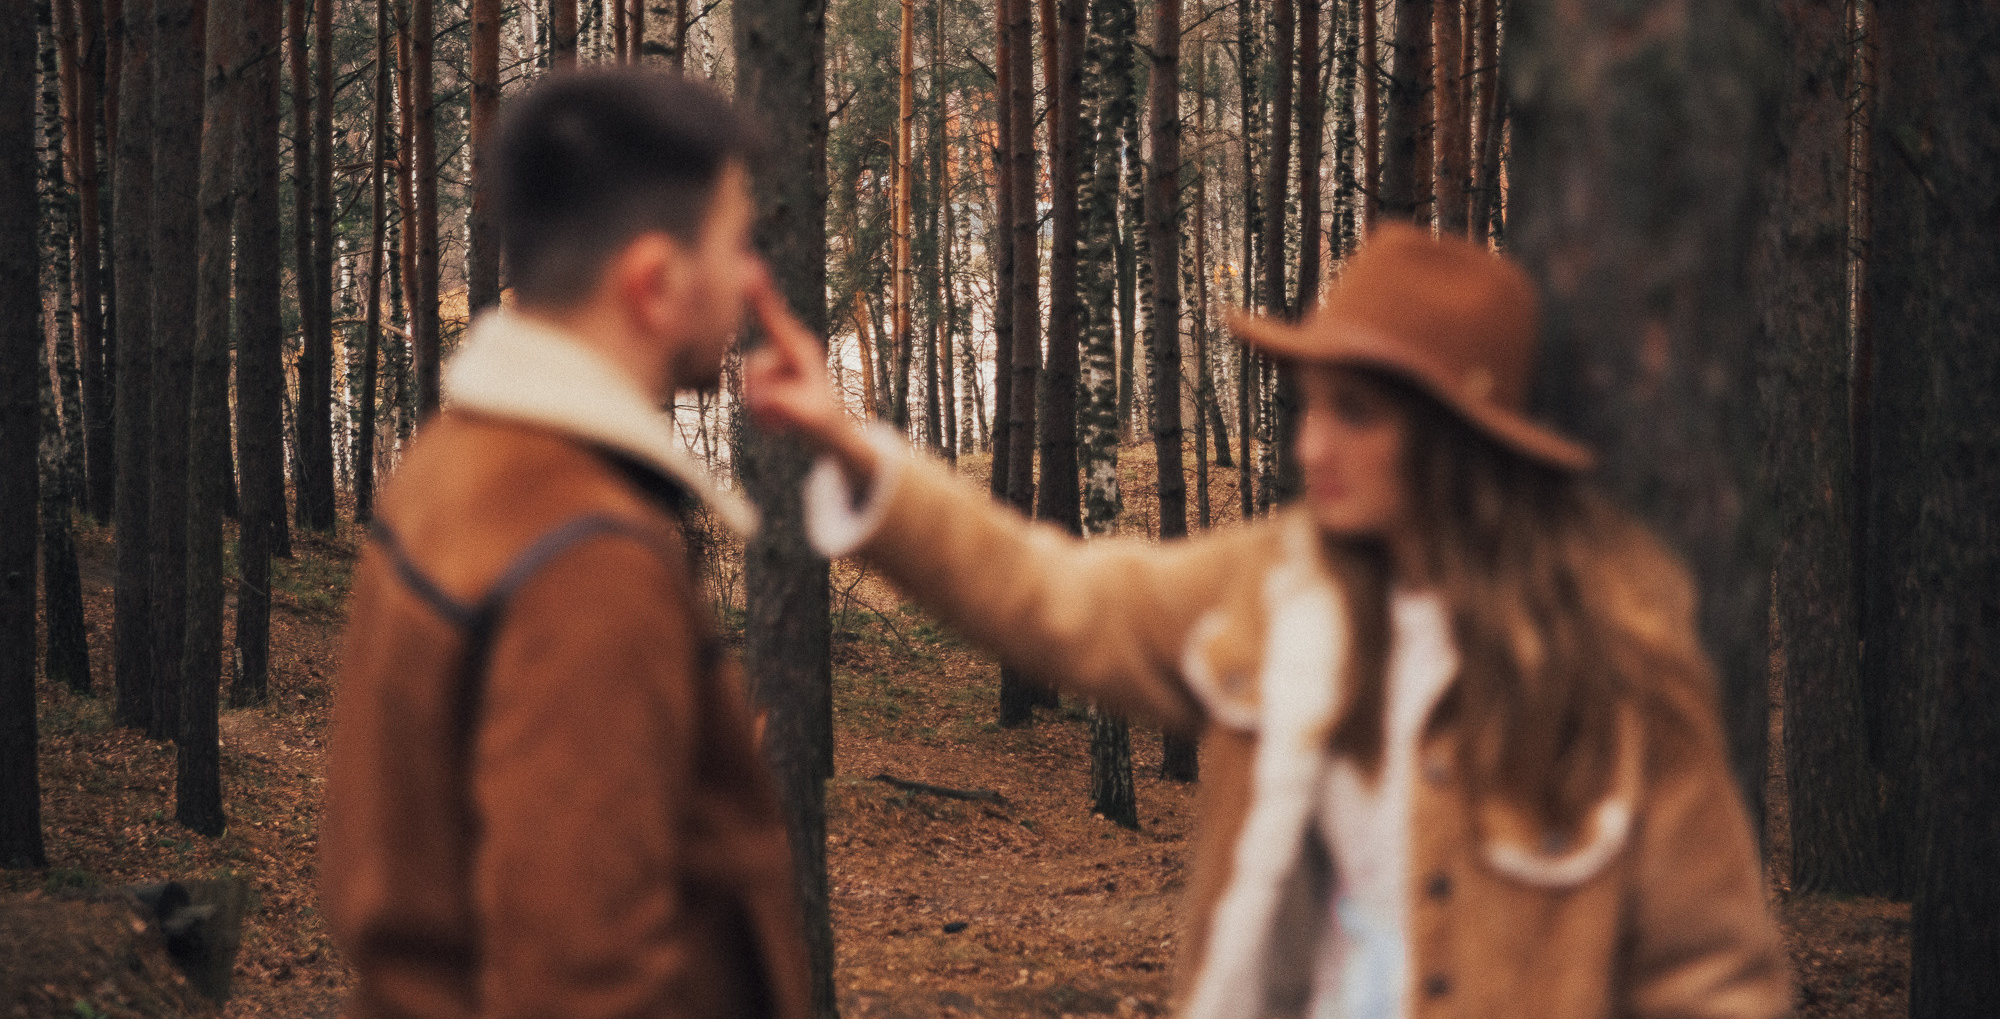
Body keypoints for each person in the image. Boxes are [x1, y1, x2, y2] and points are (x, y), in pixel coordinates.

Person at [743, 222, 1792, 1019]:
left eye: (1357, 413)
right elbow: (1047, 594)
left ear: (1453, 438)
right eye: (1310, 407)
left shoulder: (1609, 657)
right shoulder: (1263, 594)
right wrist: (852, 446)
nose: (1313, 445)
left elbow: (1712, 976)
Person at [321, 68, 810, 1019]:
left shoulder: (459, 457)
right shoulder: (589, 558)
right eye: (736, 243)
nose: (753, 278)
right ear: (656, 282)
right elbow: (579, 985)